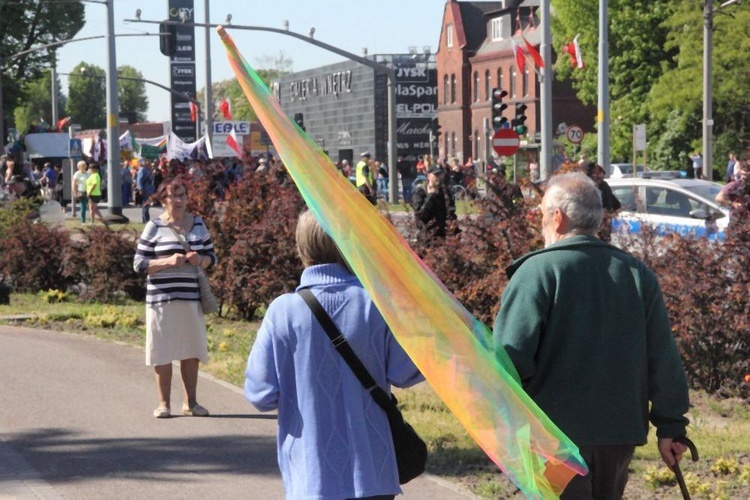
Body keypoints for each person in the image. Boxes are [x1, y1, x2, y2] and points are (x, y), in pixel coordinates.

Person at [493, 173, 691, 499]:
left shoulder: (535, 273)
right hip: (619, 434)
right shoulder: (636, 273)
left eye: (543, 214)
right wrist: (671, 426)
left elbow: (508, 360)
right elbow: (663, 357)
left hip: (552, 438)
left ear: (557, 218)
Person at [244, 210, 423, 499]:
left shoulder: (283, 311)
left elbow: (259, 393)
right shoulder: (375, 303)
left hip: (309, 476)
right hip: (373, 473)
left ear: (301, 248)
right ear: (347, 245)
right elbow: (407, 373)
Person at [133, 177, 218, 419]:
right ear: (163, 200)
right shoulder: (154, 226)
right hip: (161, 299)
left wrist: (200, 260)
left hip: (191, 299)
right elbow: (139, 264)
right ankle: (163, 404)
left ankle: (191, 403)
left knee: (191, 351)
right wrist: (166, 262)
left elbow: (213, 257)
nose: (179, 200)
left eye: (182, 195)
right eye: (174, 196)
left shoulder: (199, 224)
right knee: (162, 351)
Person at [583, 162, 621, 242]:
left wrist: (607, 215)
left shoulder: (599, 187)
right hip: (600, 226)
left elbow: (617, 205)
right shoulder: (597, 186)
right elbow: (617, 206)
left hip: (597, 227)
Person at [413, 166, 448, 240]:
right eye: (435, 175)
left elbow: (449, 211)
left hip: (441, 233)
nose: (438, 177)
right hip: (426, 232)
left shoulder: (443, 192)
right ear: (428, 176)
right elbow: (421, 215)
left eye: (440, 175)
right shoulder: (421, 191)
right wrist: (431, 196)